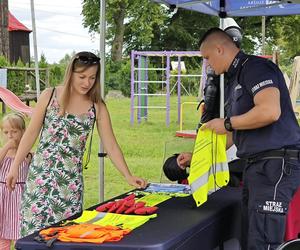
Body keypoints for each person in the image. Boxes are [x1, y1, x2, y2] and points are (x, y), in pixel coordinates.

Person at [6, 51, 147, 237]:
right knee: (34, 239)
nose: (87, 83)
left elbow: (111, 145)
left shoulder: (97, 107)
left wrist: (128, 175)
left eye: (92, 77)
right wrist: (15, 166)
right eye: (82, 76)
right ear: (70, 73)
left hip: (70, 186)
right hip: (39, 183)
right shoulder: (49, 96)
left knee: (66, 237)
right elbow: (31, 133)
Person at [199, 27, 300, 250]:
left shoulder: (256, 68)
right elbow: (238, 132)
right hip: (256, 166)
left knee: (262, 242)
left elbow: (269, 112)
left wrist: (226, 123)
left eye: (207, 58)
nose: (207, 64)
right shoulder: (233, 79)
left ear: (219, 48)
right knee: (249, 239)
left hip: (275, 164)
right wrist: (198, 157)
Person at [0, 113, 31, 249]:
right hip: (2, 198)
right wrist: (6, 147)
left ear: (23, 132)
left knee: (20, 230)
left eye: (14, 131)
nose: (10, 136)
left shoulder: (27, 154)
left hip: (19, 198)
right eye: (6, 132)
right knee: (2, 233)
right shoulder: (3, 152)